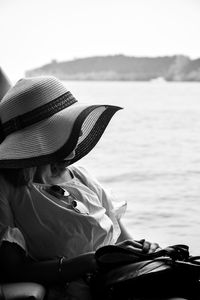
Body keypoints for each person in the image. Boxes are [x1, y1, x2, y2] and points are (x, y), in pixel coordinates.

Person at [0, 76, 188, 300]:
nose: (78, 133)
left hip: (121, 281)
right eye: (67, 128)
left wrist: (141, 250)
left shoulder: (82, 177)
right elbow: (14, 270)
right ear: (42, 139)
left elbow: (120, 238)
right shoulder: (8, 189)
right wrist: (93, 260)